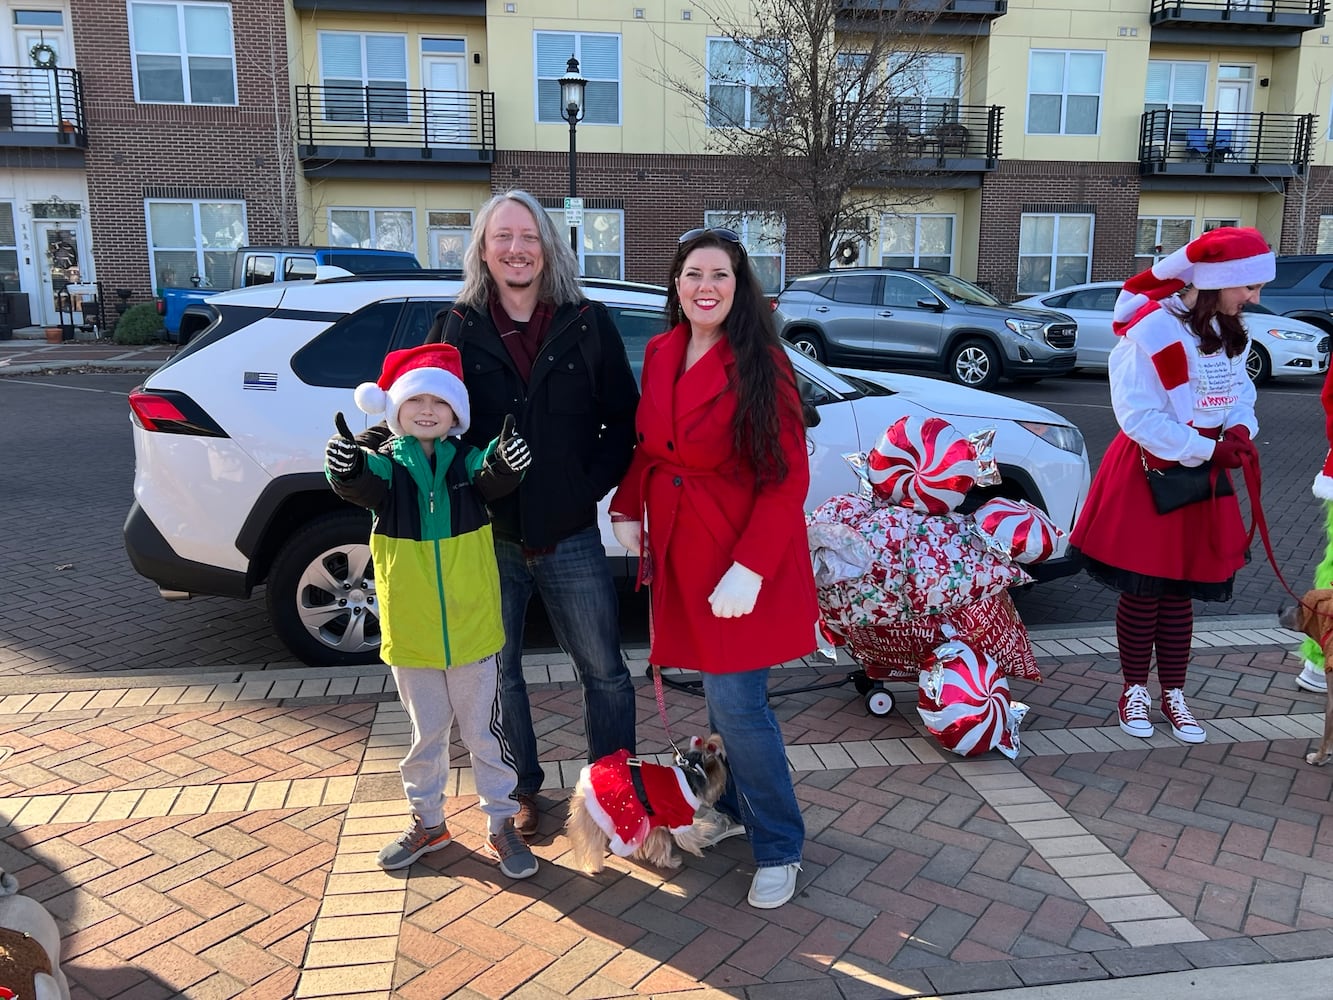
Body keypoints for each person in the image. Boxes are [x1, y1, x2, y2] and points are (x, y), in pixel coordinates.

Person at [364, 190, 640, 836]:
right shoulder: (456, 327)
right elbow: (421, 426)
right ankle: (523, 790)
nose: (516, 249)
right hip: (485, 537)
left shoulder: (586, 321)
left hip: (569, 533)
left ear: (546, 247)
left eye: (528, 236)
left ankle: (612, 792)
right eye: (502, 237)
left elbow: (621, 422)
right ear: (483, 251)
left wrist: (584, 488)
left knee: (604, 671)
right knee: (500, 674)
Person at [607, 227, 818, 909]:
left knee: (738, 705)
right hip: (679, 550)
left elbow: (786, 480)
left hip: (735, 554)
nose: (706, 286)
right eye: (694, 273)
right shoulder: (664, 349)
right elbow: (650, 447)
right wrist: (627, 502)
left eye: (720, 275)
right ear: (675, 283)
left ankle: (779, 843)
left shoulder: (763, 362)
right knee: (723, 704)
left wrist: (750, 568)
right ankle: (734, 814)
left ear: (738, 285)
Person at [326, 342, 539, 879]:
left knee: (484, 735)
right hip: (412, 629)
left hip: (472, 627)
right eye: (415, 400)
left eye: (439, 403)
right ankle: (428, 821)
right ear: (395, 409)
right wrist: (345, 468)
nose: (427, 410)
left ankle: (500, 823)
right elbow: (359, 484)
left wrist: (505, 463)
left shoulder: (468, 463)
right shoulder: (385, 468)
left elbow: (495, 477)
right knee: (425, 735)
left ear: (455, 414)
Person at [1068, 226, 1271, 744]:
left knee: (1179, 592)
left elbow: (1239, 391)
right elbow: (1137, 417)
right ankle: (1134, 689)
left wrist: (1241, 428)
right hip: (1150, 467)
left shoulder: (1225, 331)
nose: (1255, 297)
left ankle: (1174, 693)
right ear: (1216, 282)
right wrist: (1210, 449)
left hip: (1202, 466)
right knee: (1143, 591)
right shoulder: (1151, 331)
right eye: (1247, 286)